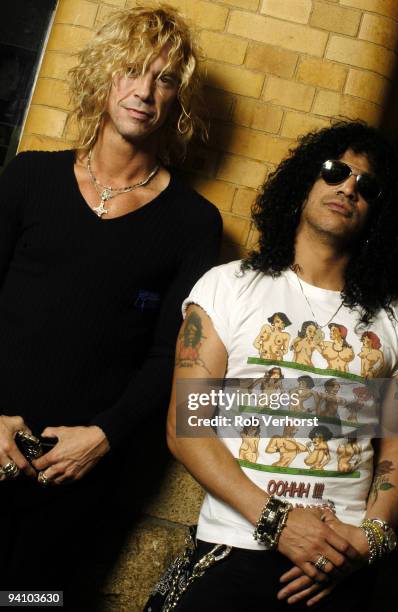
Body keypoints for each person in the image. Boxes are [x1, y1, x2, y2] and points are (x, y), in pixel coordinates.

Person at [0, 4, 221, 608]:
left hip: (75, 475)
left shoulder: (193, 223)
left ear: (177, 100)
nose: (145, 91)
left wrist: (103, 436)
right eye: (132, 70)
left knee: (31, 602)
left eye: (165, 79)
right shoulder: (29, 179)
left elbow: (167, 356)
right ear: (105, 76)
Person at [166, 121, 398, 611]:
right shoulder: (228, 286)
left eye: (366, 186)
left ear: (378, 212)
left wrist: (370, 540)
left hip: (342, 561)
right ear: (306, 179)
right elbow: (187, 427)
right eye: (335, 171)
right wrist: (279, 523)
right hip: (236, 543)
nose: (348, 187)